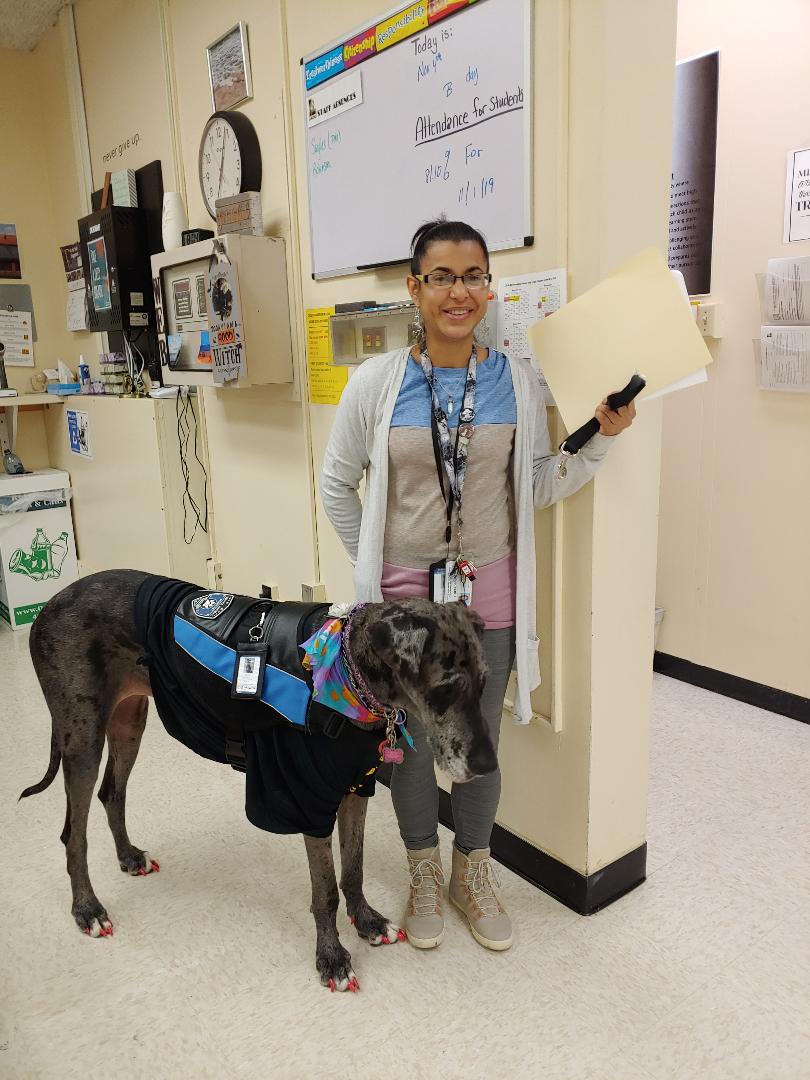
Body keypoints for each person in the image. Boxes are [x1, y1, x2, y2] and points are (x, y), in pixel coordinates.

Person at [320, 218, 635, 952]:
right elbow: (338, 487)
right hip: (401, 617)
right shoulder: (376, 384)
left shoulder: (516, 382)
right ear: (415, 289)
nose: (459, 292)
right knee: (410, 749)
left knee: (480, 744)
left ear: (489, 288)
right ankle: (424, 871)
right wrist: (373, 578)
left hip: (487, 606)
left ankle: (473, 871)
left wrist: (599, 443)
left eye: (472, 277)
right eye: (442, 278)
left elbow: (533, 486)